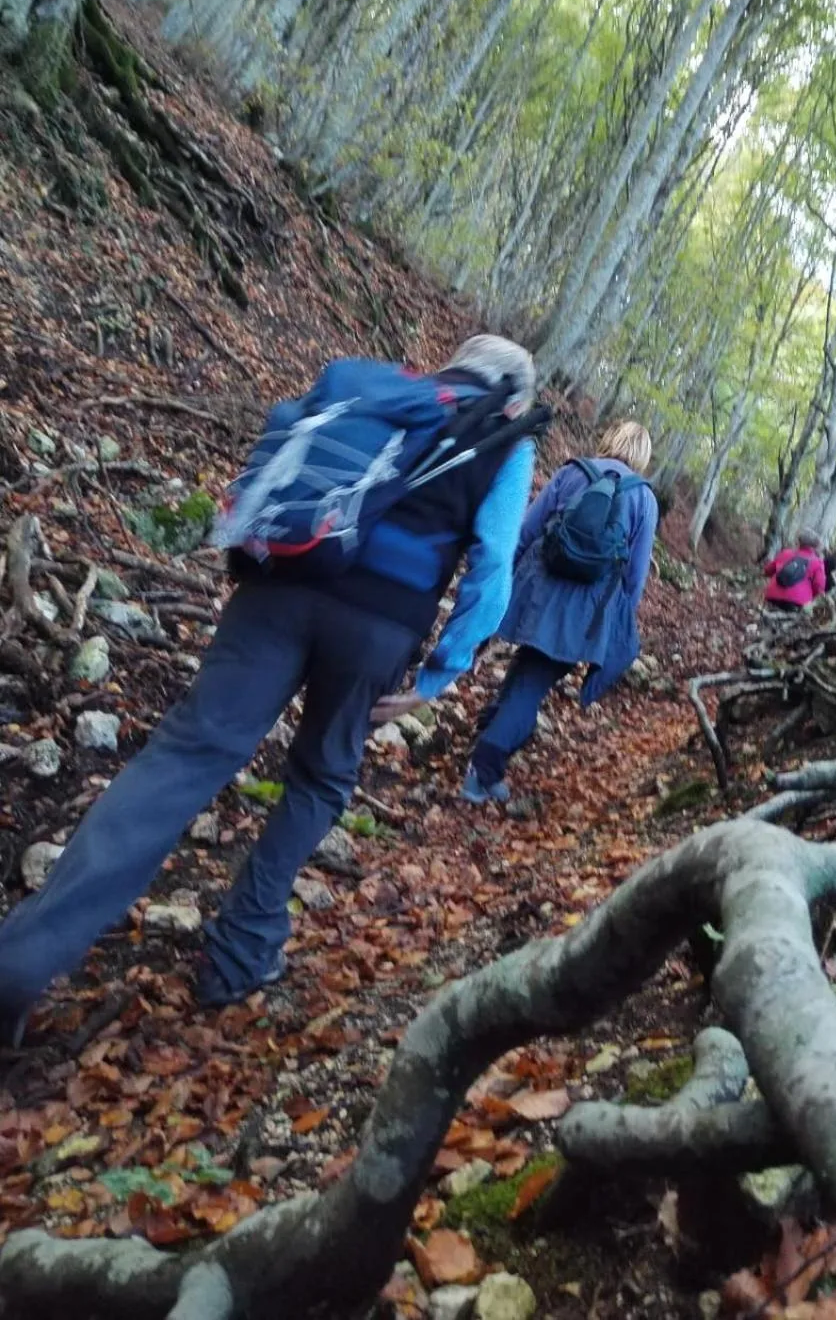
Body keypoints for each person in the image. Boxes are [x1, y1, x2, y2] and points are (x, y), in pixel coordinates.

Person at [0, 336, 540, 1044]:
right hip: (378, 628)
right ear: (515, 398)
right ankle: (241, 949)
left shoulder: (374, 387)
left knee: (183, 758)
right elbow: (493, 569)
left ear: (454, 364)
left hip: (278, 592)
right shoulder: (508, 437)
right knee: (320, 777)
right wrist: (439, 675)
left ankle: (24, 957)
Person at [445, 421, 658, 805]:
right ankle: (484, 768)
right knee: (534, 681)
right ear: (643, 455)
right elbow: (634, 576)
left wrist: (503, 580)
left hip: (537, 589)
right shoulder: (644, 499)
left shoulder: (574, 471)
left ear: (610, 439)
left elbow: (528, 529)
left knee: (529, 668)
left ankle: (492, 727)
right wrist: (616, 624)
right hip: (585, 611)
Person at [764, 528, 826, 608]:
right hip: (799, 601)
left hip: (772, 596)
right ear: (816, 545)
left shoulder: (785, 553)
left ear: (799, 541)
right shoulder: (817, 562)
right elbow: (819, 586)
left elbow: (768, 570)